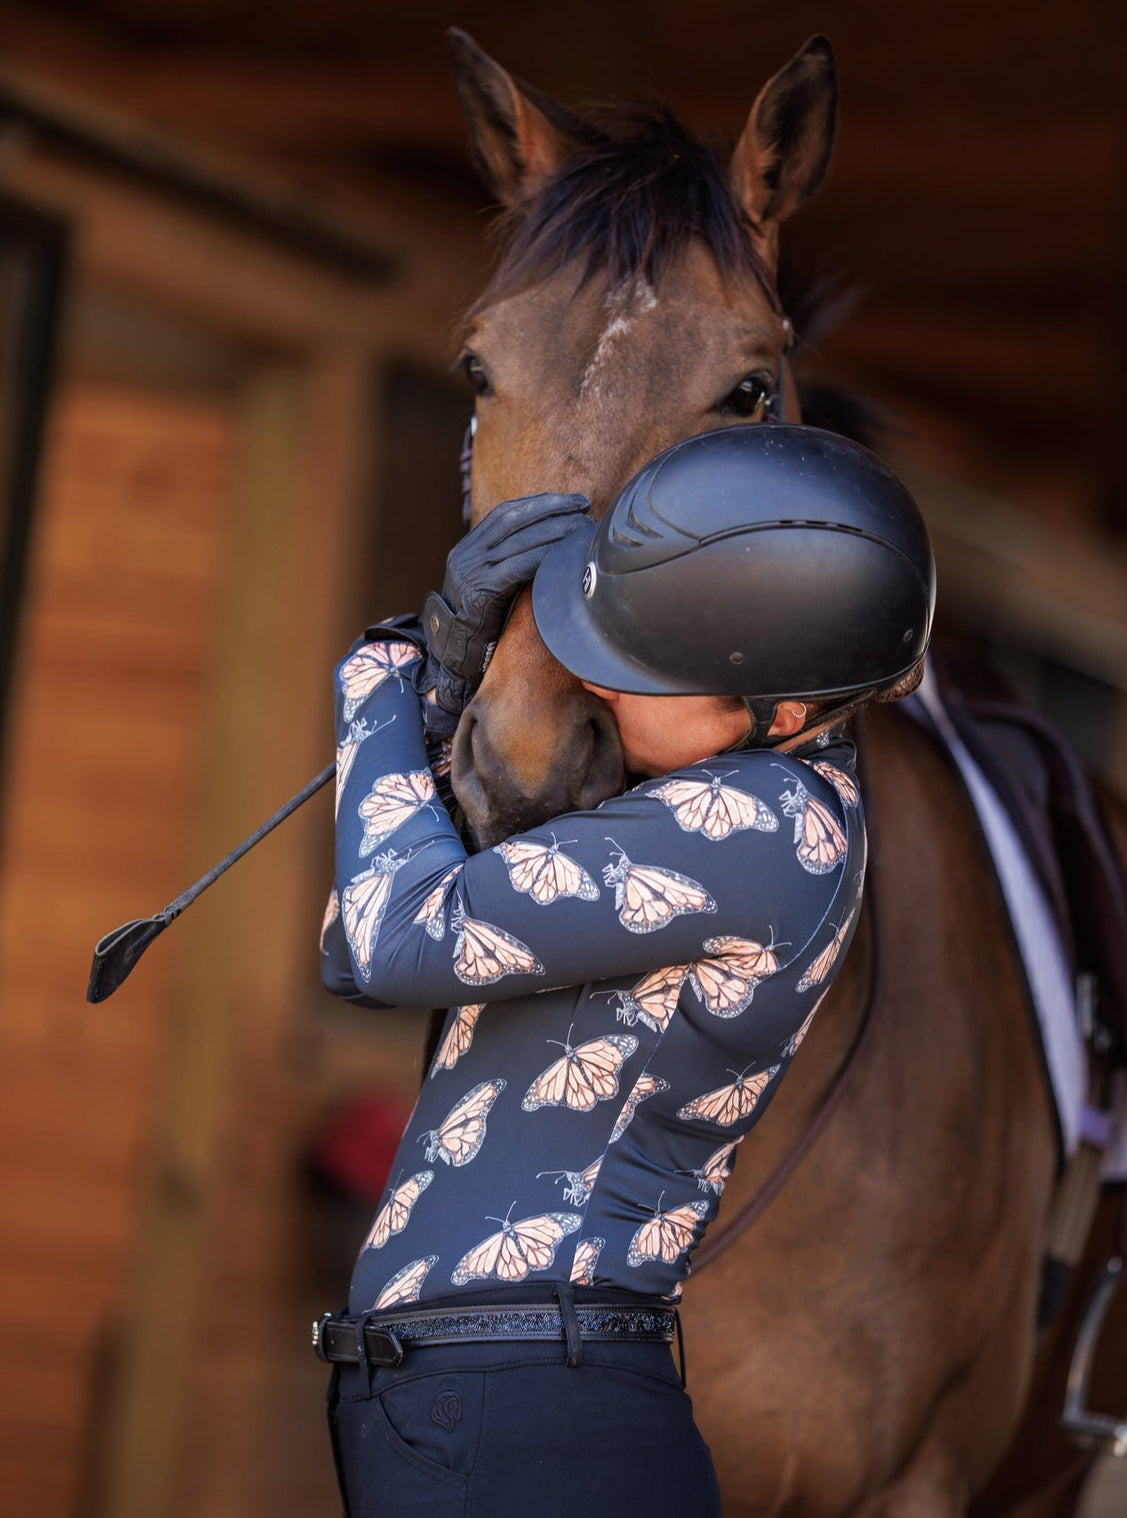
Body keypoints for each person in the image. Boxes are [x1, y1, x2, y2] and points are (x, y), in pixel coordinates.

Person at [315, 423, 935, 1518]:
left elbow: (392, 935)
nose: (599, 684)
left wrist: (395, 665)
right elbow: (359, 953)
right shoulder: (705, 811)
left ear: (781, 714)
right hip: (489, 1395)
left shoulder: (753, 824)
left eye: (647, 668)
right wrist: (446, 691)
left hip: (519, 1405)